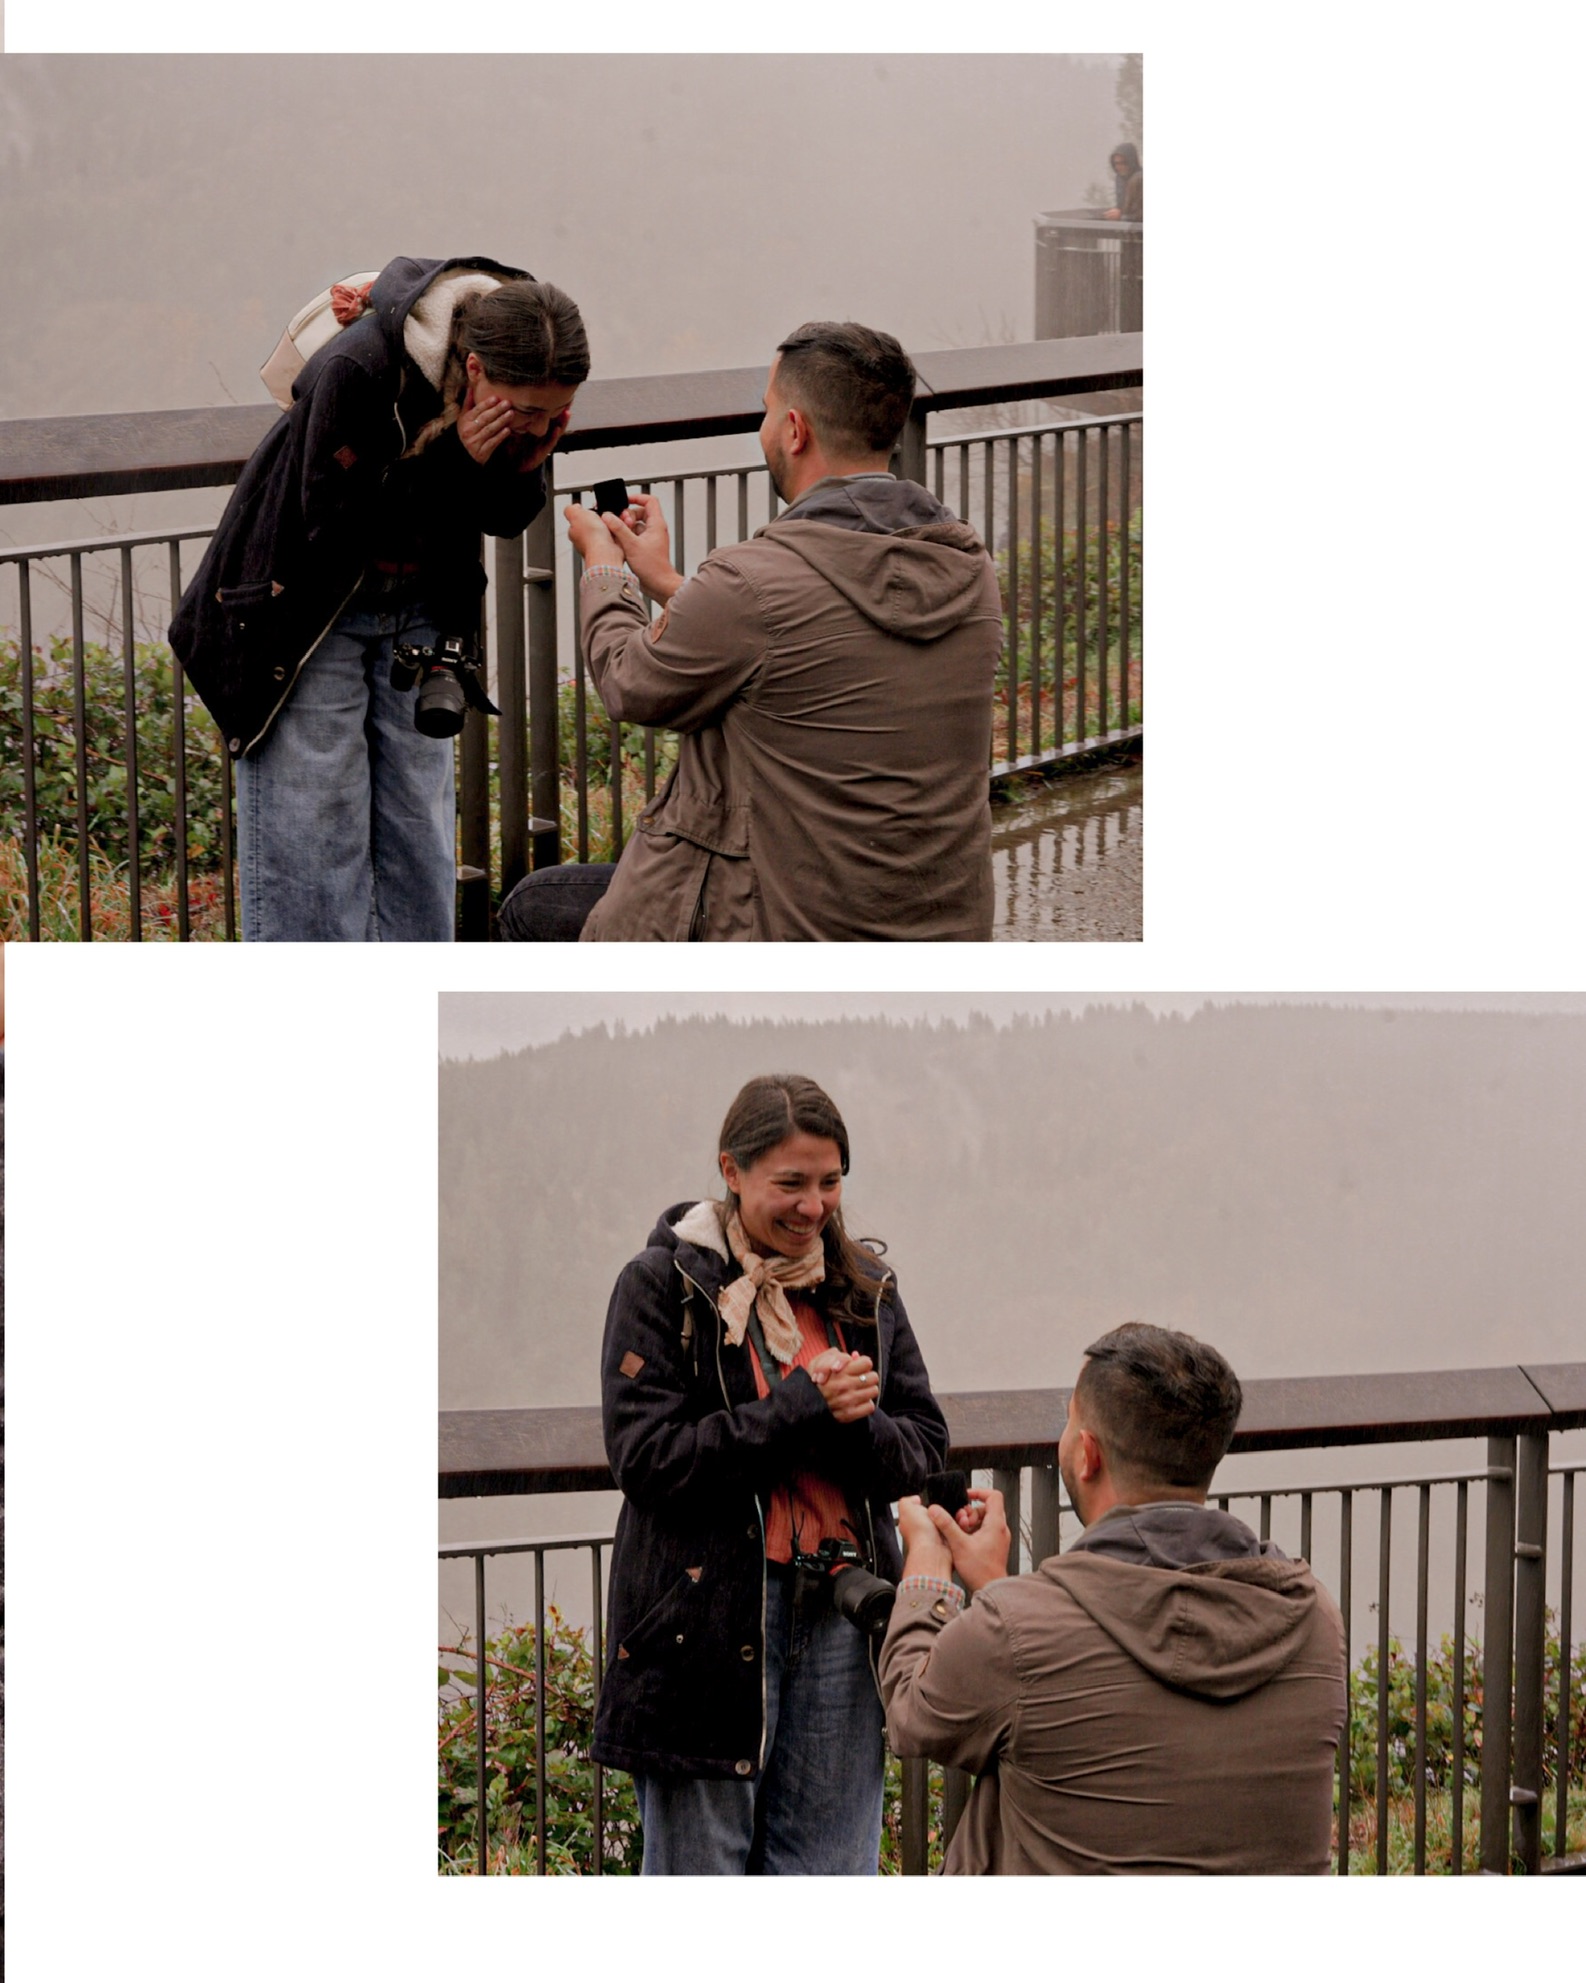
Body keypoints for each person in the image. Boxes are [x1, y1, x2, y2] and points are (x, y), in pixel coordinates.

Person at [501, 319, 1002, 942]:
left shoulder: (750, 584)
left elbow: (629, 684)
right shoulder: (967, 568)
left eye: (767, 411)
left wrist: (605, 569)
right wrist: (666, 582)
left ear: (794, 431)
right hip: (936, 924)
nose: (761, 428)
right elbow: (808, 644)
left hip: (788, 921)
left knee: (533, 905)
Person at [590, 1073, 950, 1874]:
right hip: (700, 1630)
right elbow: (648, 1460)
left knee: (825, 1871)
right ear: (731, 1169)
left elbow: (925, 1446)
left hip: (840, 1617)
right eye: (790, 1183)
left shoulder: (864, 1290)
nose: (813, 1206)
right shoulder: (661, 1286)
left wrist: (853, 1422)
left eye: (829, 1182)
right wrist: (798, 1407)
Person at [170, 256, 588, 941]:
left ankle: (415, 1025)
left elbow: (506, 514)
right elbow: (331, 528)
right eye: (526, 411)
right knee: (313, 837)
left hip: (419, 606)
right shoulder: (359, 369)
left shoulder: (522, 383)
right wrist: (454, 459)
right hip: (306, 609)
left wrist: (524, 457)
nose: (538, 422)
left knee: (418, 837)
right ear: (476, 371)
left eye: (555, 414)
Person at [881, 1322, 1348, 1874]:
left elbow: (912, 1716)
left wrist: (929, 1577)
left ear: (1087, 1454)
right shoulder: (1314, 1617)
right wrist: (1001, 1593)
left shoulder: (1018, 1631)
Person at [1104, 142, 1143, 221]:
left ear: (1131, 161)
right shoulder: (1120, 179)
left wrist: (1122, 216)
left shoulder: (1140, 179)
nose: (1118, 167)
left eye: (1123, 163)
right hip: (1125, 228)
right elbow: (1121, 206)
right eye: (1116, 163)